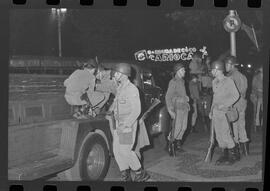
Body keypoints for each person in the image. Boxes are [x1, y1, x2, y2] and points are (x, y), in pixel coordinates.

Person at [109, 63, 150, 182]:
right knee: (117, 150)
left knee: (125, 150)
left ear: (123, 74)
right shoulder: (120, 87)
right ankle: (125, 174)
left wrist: (126, 124)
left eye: (116, 73)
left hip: (127, 125)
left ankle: (139, 173)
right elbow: (117, 104)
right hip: (118, 124)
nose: (114, 75)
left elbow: (136, 110)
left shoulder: (132, 89)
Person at [209, 60, 240, 165]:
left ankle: (234, 155)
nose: (212, 72)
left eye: (213, 70)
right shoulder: (214, 82)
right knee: (218, 135)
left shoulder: (228, 81)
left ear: (219, 70)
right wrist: (211, 110)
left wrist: (225, 104)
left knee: (226, 134)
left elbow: (236, 95)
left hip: (224, 112)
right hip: (216, 112)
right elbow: (214, 98)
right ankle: (224, 155)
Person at [224, 56, 249, 156]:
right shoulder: (242, 76)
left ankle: (236, 150)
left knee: (234, 128)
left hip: (234, 105)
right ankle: (245, 151)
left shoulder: (232, 77)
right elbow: (244, 91)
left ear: (232, 65)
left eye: (227, 64)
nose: (225, 66)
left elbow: (231, 93)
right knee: (241, 127)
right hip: (242, 104)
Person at [165, 63, 190, 153]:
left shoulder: (182, 81)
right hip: (177, 108)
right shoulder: (173, 82)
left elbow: (181, 94)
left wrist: (185, 97)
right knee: (177, 127)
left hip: (184, 107)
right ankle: (170, 145)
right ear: (177, 72)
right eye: (182, 70)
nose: (184, 71)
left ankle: (178, 145)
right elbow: (168, 97)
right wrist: (170, 110)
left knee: (183, 127)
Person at [250, 66, 263, 132]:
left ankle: (262, 124)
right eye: (261, 69)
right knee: (257, 112)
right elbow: (253, 87)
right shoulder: (256, 77)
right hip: (258, 96)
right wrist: (254, 95)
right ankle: (257, 125)